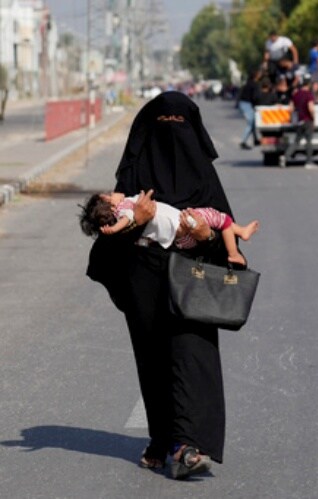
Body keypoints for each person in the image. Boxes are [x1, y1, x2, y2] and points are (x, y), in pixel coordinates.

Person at [86, 92, 238, 480]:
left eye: (180, 124)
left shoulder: (204, 177)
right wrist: (135, 220)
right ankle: (161, 440)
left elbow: (223, 228)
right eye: (163, 124)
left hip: (192, 273)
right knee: (153, 358)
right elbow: (106, 232)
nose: (173, 134)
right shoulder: (132, 178)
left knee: (192, 353)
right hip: (143, 275)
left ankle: (188, 444)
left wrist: (205, 234)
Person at [79, 191, 259, 266]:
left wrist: (208, 236)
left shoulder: (129, 201)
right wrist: (137, 223)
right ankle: (237, 242)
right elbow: (113, 250)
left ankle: (235, 244)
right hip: (154, 287)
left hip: (193, 277)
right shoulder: (125, 207)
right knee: (222, 220)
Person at [280, 75, 317, 169]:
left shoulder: (296, 94)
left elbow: (291, 108)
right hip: (307, 120)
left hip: (299, 121)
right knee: (309, 141)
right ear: (309, 84)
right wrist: (314, 119)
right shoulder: (309, 94)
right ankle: (309, 162)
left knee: (296, 141)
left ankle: (285, 157)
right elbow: (311, 108)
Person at [237, 71, 261, 150]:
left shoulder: (248, 83)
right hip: (246, 104)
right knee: (250, 123)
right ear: (255, 77)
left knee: (252, 123)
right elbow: (255, 97)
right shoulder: (254, 84)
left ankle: (255, 140)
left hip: (243, 103)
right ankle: (243, 142)